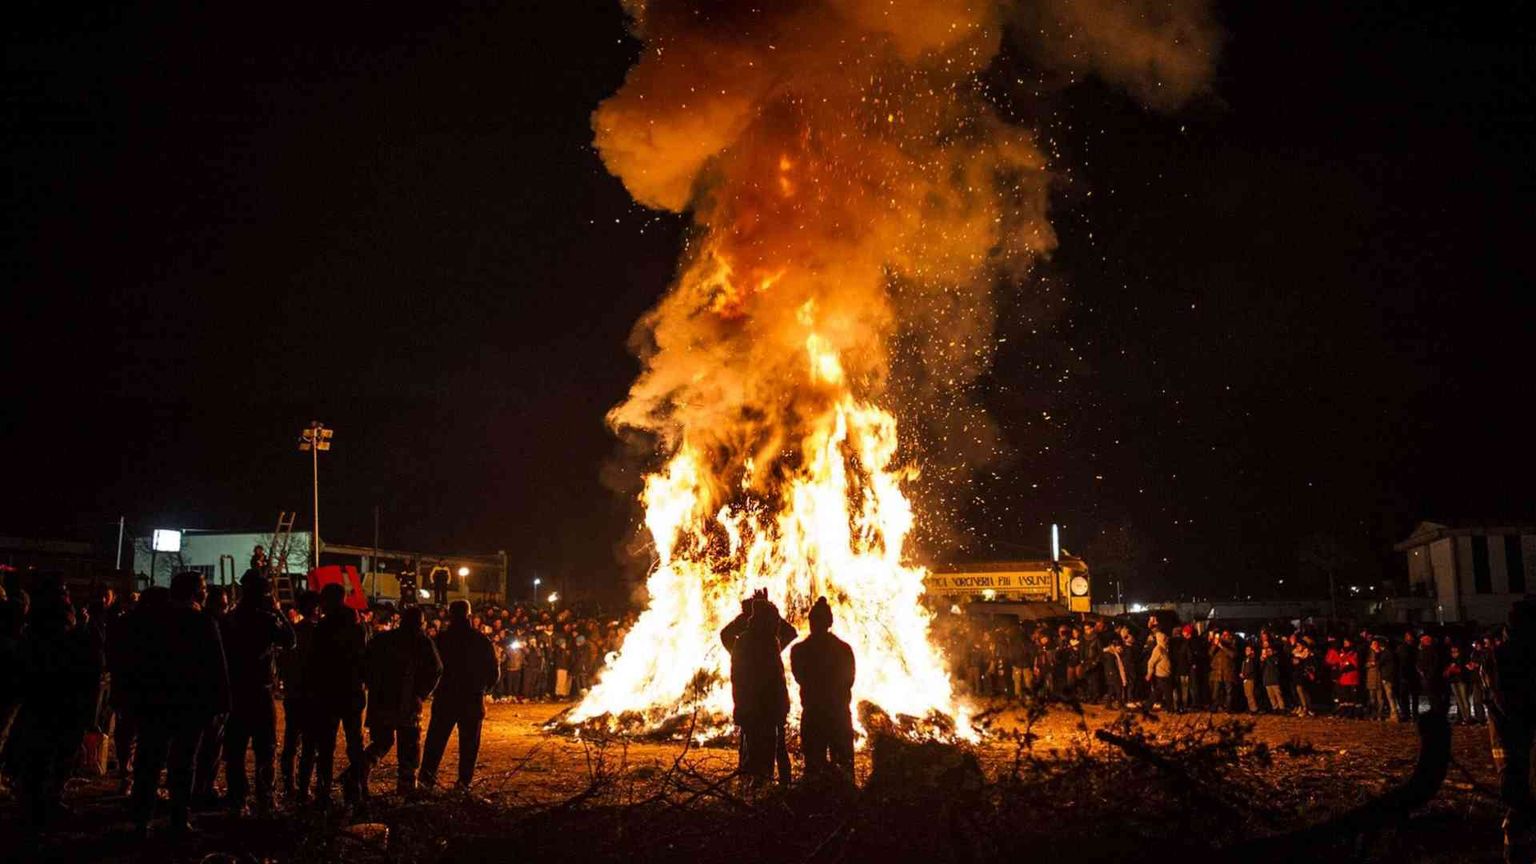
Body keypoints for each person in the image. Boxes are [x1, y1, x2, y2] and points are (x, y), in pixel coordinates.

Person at [121, 571, 230, 836]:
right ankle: (179, 819)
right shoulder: (203, 621)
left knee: (149, 761)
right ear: (195, 592)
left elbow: (138, 661)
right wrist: (221, 702)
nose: (206, 592)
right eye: (203, 588)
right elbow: (216, 665)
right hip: (189, 705)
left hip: (155, 702)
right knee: (183, 763)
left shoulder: (154, 621)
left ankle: (141, 820)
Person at [10, 573, 102, 829]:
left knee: (38, 756)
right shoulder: (63, 620)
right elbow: (83, 658)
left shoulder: (32, 625)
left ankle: (33, 803)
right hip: (62, 700)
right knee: (55, 756)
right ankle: (45, 804)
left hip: (40, 700)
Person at [219, 572, 295, 818]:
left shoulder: (230, 618)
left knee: (236, 750)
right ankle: (265, 798)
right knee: (266, 747)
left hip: (236, 691)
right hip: (260, 693)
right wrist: (278, 610)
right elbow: (290, 640)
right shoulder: (266, 619)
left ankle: (237, 799)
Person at [356, 606, 441, 797]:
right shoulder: (422, 642)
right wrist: (421, 693)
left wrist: (373, 685)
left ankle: (359, 771)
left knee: (382, 741)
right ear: (421, 623)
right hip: (407, 703)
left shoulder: (382, 639)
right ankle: (407, 789)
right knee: (409, 747)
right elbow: (436, 669)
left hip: (382, 701)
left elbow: (365, 664)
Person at [299, 583, 367, 810]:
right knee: (354, 743)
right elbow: (362, 659)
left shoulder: (323, 628)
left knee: (326, 745)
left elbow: (314, 661)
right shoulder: (357, 626)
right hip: (351, 691)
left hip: (328, 693)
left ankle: (324, 790)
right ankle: (357, 788)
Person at [420, 599, 498, 792]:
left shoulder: (442, 639)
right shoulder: (481, 640)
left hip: (446, 698)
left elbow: (430, 667)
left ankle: (426, 781)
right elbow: (494, 671)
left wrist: (431, 690)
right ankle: (463, 784)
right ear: (469, 616)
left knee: (435, 742)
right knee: (469, 745)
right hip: (472, 699)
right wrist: (483, 689)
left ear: (450, 615)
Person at [1484, 598, 1536, 863]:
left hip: (1512, 736)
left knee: (1518, 799)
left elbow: (1500, 700)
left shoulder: (1501, 655)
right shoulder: (1502, 656)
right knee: (1519, 800)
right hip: (1514, 735)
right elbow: (1502, 700)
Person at [725, 593, 794, 784]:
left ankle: (753, 791)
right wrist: (759, 608)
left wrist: (750, 611)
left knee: (752, 757)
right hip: (764, 712)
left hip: (753, 712)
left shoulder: (744, 643)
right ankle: (759, 795)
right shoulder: (768, 645)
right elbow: (790, 631)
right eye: (773, 620)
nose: (776, 625)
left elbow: (725, 634)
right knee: (761, 760)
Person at [790, 597, 855, 779]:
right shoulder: (844, 649)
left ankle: (814, 803)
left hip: (814, 714)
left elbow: (799, 677)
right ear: (830, 622)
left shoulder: (799, 650)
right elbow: (849, 680)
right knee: (844, 769)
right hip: (838, 714)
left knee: (814, 767)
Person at [191, 585, 232, 808]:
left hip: (203, 696)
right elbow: (218, 665)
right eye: (223, 605)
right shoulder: (209, 625)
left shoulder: (215, 623)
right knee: (207, 747)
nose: (225, 609)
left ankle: (201, 788)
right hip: (209, 697)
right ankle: (201, 791)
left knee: (204, 747)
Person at [279, 590, 320, 800]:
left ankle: (290, 785)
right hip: (311, 695)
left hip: (294, 694)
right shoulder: (318, 633)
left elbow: (283, 663)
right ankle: (303, 788)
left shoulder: (293, 632)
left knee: (291, 741)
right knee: (310, 744)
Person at [1147, 630, 1174, 710]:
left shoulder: (1164, 648)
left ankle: (1148, 704)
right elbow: (1151, 662)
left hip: (1165, 674)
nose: (1167, 640)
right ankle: (1170, 708)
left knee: (1158, 692)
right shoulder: (1158, 649)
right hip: (1161, 675)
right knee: (1167, 692)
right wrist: (1149, 673)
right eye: (1165, 639)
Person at [1396, 630, 1420, 719]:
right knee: (1404, 696)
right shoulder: (1402, 648)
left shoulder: (1415, 648)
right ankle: (1406, 713)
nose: (1409, 638)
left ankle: (1414, 713)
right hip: (1404, 674)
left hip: (1413, 675)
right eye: (1407, 636)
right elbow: (1400, 662)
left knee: (1414, 696)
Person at [1261, 642, 1286, 713]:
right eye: (1267, 651)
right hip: (1267, 680)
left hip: (1274, 680)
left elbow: (1272, 665)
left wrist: (1267, 658)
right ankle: (1275, 708)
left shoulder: (1275, 658)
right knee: (1271, 696)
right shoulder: (1265, 659)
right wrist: (1262, 661)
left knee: (1278, 695)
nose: (1268, 652)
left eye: (1269, 651)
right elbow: (1261, 668)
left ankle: (1282, 708)